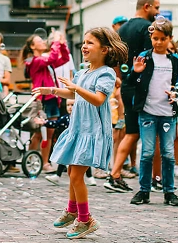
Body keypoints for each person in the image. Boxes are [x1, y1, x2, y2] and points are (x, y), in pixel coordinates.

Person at [39, 27, 127, 239]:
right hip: (79, 128)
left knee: (77, 175)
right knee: (72, 172)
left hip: (93, 131)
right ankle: (72, 211)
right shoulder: (83, 72)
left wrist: (76, 89)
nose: (84, 46)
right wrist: (51, 90)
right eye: (84, 42)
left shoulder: (106, 73)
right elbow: (72, 92)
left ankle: (85, 219)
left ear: (105, 49)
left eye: (90, 43)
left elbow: (98, 99)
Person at [107, 0, 160, 193]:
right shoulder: (147, 29)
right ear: (146, 6)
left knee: (131, 132)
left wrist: (122, 79)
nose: (158, 12)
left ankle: (115, 174)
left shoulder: (123, 29)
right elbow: (150, 60)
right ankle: (156, 179)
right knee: (151, 132)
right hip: (143, 87)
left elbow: (116, 60)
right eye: (156, 7)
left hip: (128, 85)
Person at [128, 19, 178, 207]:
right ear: (151, 38)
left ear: (170, 39)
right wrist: (135, 72)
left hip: (168, 112)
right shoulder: (145, 56)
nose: (158, 42)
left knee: (168, 153)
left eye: (162, 39)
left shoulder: (174, 60)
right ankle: (144, 191)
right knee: (147, 152)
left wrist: (175, 92)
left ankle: (169, 192)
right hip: (147, 112)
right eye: (155, 38)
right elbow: (131, 82)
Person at [23, 30, 71, 173]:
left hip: (51, 99)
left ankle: (45, 163)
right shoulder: (34, 61)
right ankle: (32, 161)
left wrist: (62, 45)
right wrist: (56, 41)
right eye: (40, 41)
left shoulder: (44, 61)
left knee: (50, 132)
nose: (43, 42)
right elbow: (52, 58)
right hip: (41, 100)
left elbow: (64, 59)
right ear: (32, 46)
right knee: (39, 133)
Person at [44, 99, 96, 186]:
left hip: (80, 143)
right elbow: (56, 123)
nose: (70, 107)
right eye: (68, 105)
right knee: (63, 157)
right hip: (69, 143)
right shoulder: (65, 118)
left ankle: (90, 177)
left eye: (72, 105)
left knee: (84, 159)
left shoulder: (82, 118)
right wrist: (45, 122)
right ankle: (57, 175)